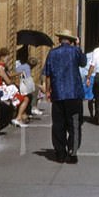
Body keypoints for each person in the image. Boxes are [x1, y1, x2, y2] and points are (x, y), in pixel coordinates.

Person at [43, 29, 86, 163]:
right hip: (74, 93)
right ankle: (72, 152)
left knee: (58, 124)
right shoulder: (75, 51)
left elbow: (47, 73)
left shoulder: (52, 53)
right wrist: (78, 46)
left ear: (59, 39)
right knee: (74, 124)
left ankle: (60, 152)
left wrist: (48, 90)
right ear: (72, 40)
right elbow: (83, 62)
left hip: (58, 93)